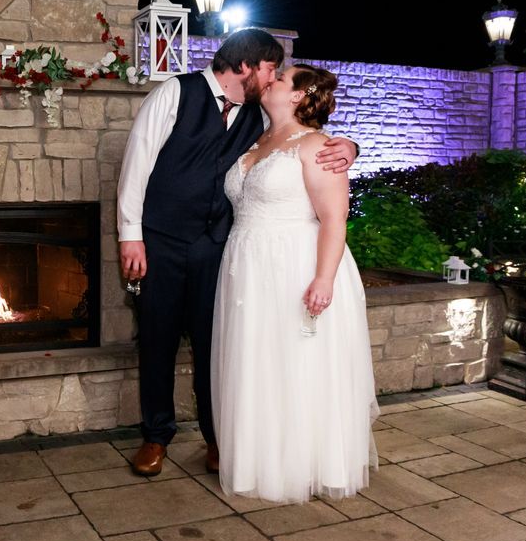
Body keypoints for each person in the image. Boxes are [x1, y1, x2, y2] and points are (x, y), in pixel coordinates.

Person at [116, 30, 356, 478]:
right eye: (270, 69)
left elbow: (301, 138)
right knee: (157, 338)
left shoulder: (259, 115)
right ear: (247, 65)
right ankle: (155, 436)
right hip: (161, 241)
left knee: (218, 343)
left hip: (218, 247)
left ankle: (219, 438)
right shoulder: (175, 92)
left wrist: (349, 146)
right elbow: (137, 163)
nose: (271, 81)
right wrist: (132, 236)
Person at [212, 64, 378, 502]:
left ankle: (302, 465)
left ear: (300, 95)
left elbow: (334, 218)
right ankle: (259, 462)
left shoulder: (319, 147)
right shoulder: (257, 135)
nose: (272, 80)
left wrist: (324, 279)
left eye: (281, 78)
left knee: (297, 364)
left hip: (293, 265)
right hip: (247, 266)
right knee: (258, 363)